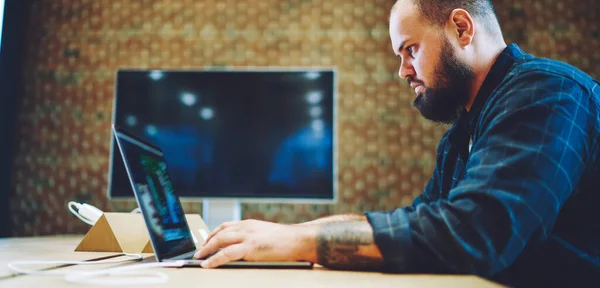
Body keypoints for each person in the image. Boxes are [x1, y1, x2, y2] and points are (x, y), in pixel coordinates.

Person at [194, 0, 600, 286]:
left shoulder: (547, 93)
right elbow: (423, 219)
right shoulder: (462, 134)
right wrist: (285, 234)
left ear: (461, 28)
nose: (403, 72)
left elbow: (478, 233)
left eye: (410, 50)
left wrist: (299, 241)